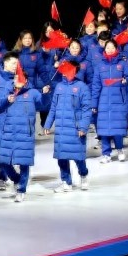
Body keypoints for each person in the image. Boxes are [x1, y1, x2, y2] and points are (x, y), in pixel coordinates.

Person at [0, 55, 43, 203]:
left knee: (24, 162)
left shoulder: (32, 93)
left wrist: (45, 94)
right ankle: (16, 179)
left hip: (25, 133)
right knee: (2, 161)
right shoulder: (7, 92)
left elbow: (42, 105)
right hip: (7, 131)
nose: (18, 80)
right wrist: (6, 100)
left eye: (21, 78)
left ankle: (21, 189)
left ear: (26, 80)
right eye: (16, 78)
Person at [43, 61, 92, 192]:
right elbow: (53, 107)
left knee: (78, 157)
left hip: (75, 128)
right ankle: (66, 182)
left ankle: (83, 175)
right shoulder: (59, 86)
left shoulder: (82, 87)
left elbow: (86, 109)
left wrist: (83, 127)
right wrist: (48, 124)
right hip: (61, 128)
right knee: (61, 157)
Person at [91, 39, 128, 163]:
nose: (109, 50)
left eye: (112, 47)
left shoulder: (122, 63)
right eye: (107, 48)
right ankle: (106, 154)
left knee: (118, 127)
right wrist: (94, 104)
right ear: (104, 49)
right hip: (103, 101)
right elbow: (96, 86)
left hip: (119, 100)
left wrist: (126, 80)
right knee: (104, 128)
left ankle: (120, 149)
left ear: (116, 49)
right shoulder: (100, 65)